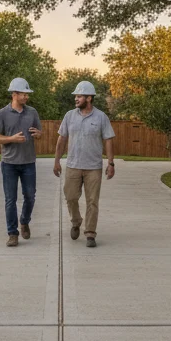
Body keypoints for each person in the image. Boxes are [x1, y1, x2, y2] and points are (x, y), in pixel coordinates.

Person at [54, 81, 115, 248]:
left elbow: (108, 140)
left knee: (92, 201)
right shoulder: (69, 116)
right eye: (76, 96)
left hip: (93, 167)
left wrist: (110, 163)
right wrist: (57, 161)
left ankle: (90, 233)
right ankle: (76, 221)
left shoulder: (101, 117)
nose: (76, 98)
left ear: (89, 98)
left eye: (79, 96)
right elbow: (62, 139)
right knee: (71, 197)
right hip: (73, 165)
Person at [0, 77, 42, 247]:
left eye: (27, 94)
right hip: (9, 164)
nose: (26, 97)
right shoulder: (2, 114)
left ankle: (24, 221)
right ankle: (12, 233)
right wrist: (12, 138)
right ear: (14, 94)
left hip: (28, 162)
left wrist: (38, 134)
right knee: (10, 199)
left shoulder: (32, 112)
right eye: (23, 94)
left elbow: (39, 132)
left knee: (30, 197)